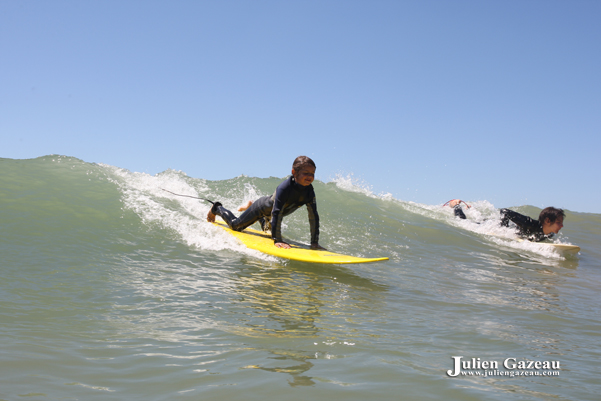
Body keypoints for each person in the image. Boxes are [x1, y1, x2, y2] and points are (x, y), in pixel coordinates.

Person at [206, 156, 326, 250]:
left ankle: (249, 207)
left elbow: (313, 216)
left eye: (312, 173)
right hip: (261, 208)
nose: (310, 176)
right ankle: (217, 208)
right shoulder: (285, 188)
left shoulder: (309, 191)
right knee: (235, 226)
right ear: (294, 172)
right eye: (306, 173)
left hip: (270, 214)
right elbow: (277, 212)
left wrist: (314, 242)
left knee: (266, 229)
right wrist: (277, 239)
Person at [500, 207, 565, 242]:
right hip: (513, 229)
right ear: (547, 221)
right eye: (558, 222)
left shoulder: (550, 234)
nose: (562, 226)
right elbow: (504, 211)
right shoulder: (529, 224)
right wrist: (503, 230)